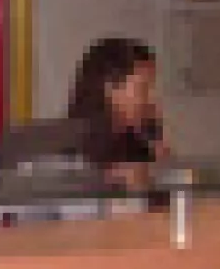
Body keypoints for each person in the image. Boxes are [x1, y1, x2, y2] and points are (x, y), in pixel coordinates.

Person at [65, 37, 169, 189]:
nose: (152, 99)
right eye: (144, 88)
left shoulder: (137, 138)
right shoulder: (74, 150)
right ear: (110, 87)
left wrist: (161, 166)